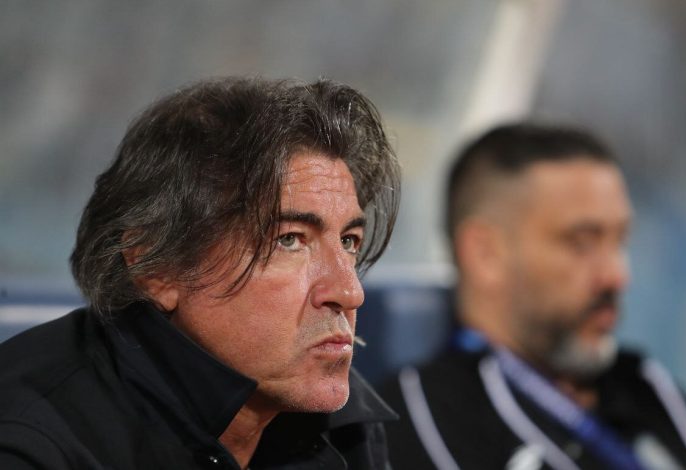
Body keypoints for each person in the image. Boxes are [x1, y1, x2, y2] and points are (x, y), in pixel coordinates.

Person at [0, 77, 401, 469]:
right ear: (155, 266)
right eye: (289, 239)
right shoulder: (32, 443)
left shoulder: (339, 419)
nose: (350, 292)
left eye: (349, 241)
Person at [379, 123, 686, 469]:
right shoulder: (419, 414)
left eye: (620, 241)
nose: (617, 276)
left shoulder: (642, 385)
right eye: (582, 242)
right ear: (486, 254)